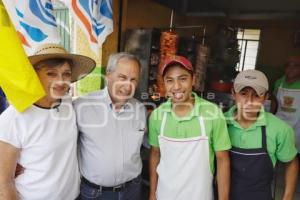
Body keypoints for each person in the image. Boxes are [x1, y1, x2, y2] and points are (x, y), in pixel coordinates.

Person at [0, 43, 96, 199]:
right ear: (34, 75)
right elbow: (4, 182)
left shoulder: (66, 102)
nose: (61, 81)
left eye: (66, 74)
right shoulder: (14, 118)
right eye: (51, 73)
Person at [148, 55, 231, 200]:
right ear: (164, 84)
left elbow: (223, 160)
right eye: (170, 80)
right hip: (164, 195)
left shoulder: (212, 113)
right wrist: (152, 194)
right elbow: (155, 154)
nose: (176, 86)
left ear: (193, 80)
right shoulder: (157, 116)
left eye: (183, 78)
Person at [74, 52, 147, 200]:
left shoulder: (140, 109)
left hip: (132, 189)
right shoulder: (82, 106)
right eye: (122, 78)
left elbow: (147, 144)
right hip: (95, 193)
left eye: (133, 80)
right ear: (108, 75)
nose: (128, 86)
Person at [226, 69, 299, 200]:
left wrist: (287, 197)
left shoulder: (280, 129)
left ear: (266, 97)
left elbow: (291, 163)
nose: (249, 101)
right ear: (233, 93)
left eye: (256, 95)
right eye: (243, 93)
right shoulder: (221, 124)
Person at [272, 56, 300, 161]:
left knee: (294, 154)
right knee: (276, 148)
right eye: (288, 65)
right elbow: (274, 101)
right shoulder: (279, 82)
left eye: (295, 66)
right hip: (280, 122)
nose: (291, 68)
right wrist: (271, 116)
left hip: (298, 126)